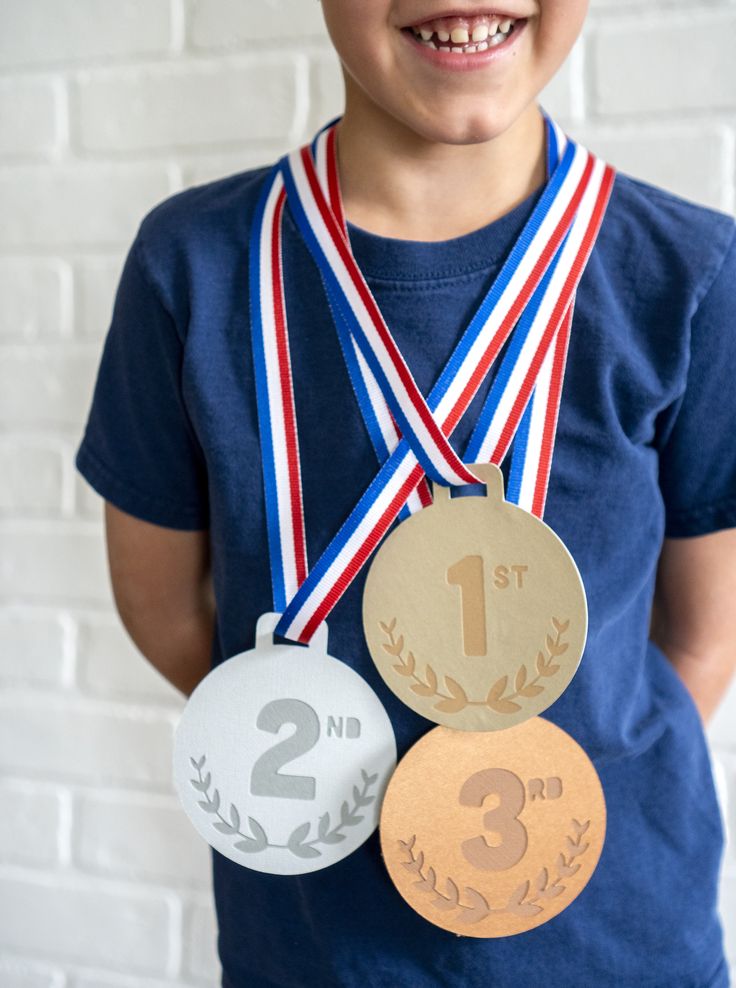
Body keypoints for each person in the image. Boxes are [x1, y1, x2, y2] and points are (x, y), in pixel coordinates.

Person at [75, 1, 736, 985]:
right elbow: (166, 609)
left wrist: (561, 763)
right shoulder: (195, 266)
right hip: (314, 944)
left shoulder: (690, 271)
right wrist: (334, 759)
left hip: (615, 935)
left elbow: (703, 634)